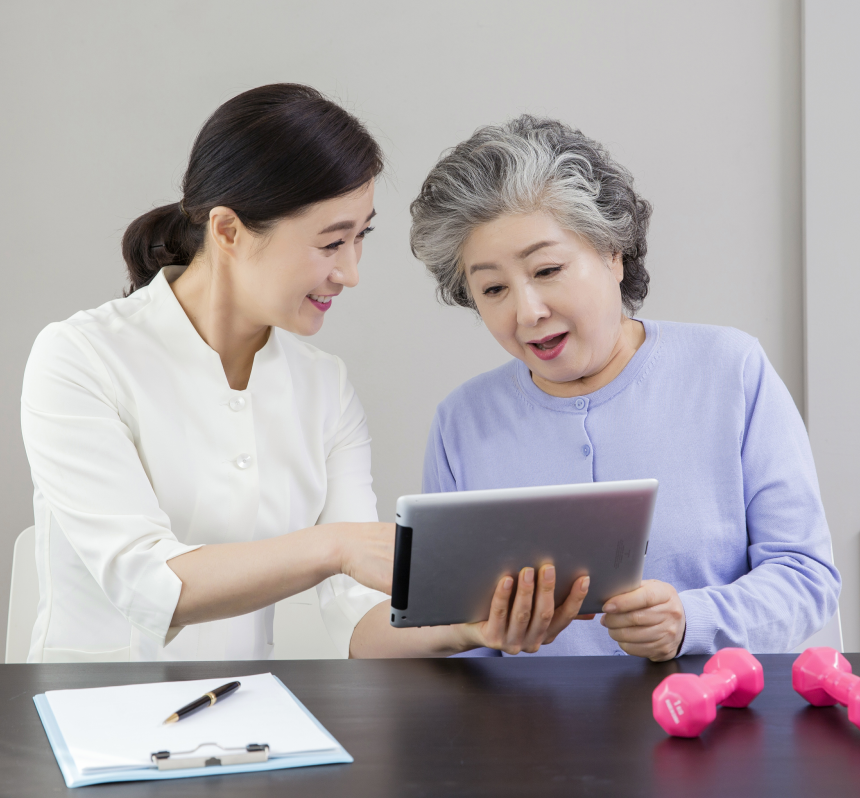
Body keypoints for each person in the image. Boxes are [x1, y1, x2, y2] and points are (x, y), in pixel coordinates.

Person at [21, 87, 590, 663]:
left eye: (360, 237)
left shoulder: (324, 388)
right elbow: (147, 582)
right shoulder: (80, 358)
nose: (350, 272)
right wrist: (334, 547)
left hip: (244, 708)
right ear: (228, 231)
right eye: (331, 243)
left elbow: (359, 616)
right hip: (91, 708)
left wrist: (471, 628)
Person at [409, 115, 841, 662]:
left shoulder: (730, 371)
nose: (527, 312)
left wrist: (691, 622)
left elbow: (806, 576)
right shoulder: (462, 421)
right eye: (493, 288)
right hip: (527, 717)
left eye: (547, 269)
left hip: (710, 706)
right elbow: (452, 629)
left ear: (613, 253)